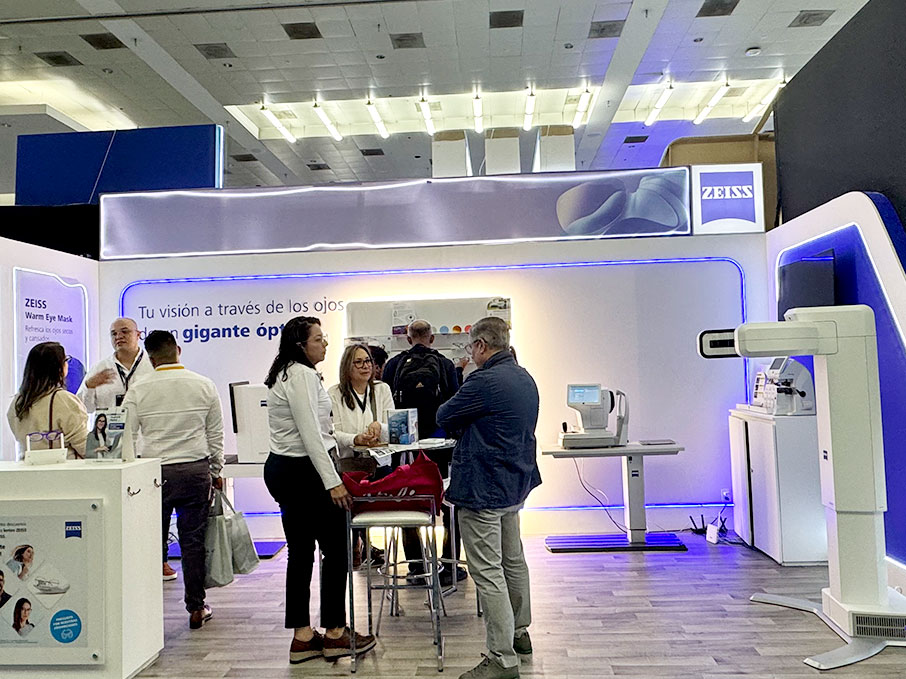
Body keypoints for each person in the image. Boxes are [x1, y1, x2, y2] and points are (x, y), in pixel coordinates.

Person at [263, 316, 376, 664]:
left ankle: (303, 637)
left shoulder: (289, 373)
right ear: (301, 345)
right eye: (318, 338)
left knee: (301, 554)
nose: (325, 343)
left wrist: (352, 440)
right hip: (305, 473)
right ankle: (335, 633)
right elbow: (312, 435)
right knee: (336, 551)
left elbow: (318, 431)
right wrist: (333, 481)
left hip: (289, 470)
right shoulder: (300, 375)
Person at [437, 317, 541, 679]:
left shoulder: (483, 381)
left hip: (483, 486)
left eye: (471, 347)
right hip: (514, 483)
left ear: (481, 345)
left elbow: (444, 414)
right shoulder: (524, 377)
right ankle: (519, 634)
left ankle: (501, 659)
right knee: (513, 561)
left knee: (488, 572)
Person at [122, 330, 224, 629]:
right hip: (194, 470)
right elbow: (215, 435)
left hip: (153, 473)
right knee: (193, 542)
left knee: (151, 541)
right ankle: (196, 607)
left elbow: (127, 435)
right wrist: (215, 471)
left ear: (151, 358)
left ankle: (146, 613)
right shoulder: (204, 384)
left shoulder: (139, 389)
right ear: (177, 350)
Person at [381, 320, 463, 584]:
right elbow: (454, 405)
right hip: (440, 445)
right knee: (449, 504)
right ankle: (450, 567)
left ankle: (416, 567)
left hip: (405, 445)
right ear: (431, 338)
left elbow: (388, 408)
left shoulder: (393, 365)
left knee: (409, 500)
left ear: (408, 339)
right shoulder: (445, 365)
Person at [328, 344, 394, 569]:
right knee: (348, 512)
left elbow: (394, 427)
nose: (366, 366)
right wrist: (356, 439)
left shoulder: (382, 390)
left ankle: (368, 546)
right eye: (359, 362)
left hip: (380, 463)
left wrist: (379, 427)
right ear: (347, 366)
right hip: (349, 466)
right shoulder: (334, 394)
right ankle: (356, 546)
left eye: (368, 361)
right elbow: (332, 433)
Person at [7, 342, 87, 460]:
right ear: (58, 368)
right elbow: (84, 446)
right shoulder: (64, 400)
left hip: (28, 467)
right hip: (64, 468)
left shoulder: (17, 402)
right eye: (65, 360)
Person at [78, 317, 154, 412]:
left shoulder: (153, 365)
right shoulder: (100, 368)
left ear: (138, 335)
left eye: (125, 332)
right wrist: (89, 387)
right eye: (114, 334)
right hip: (109, 421)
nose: (118, 336)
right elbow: (84, 409)